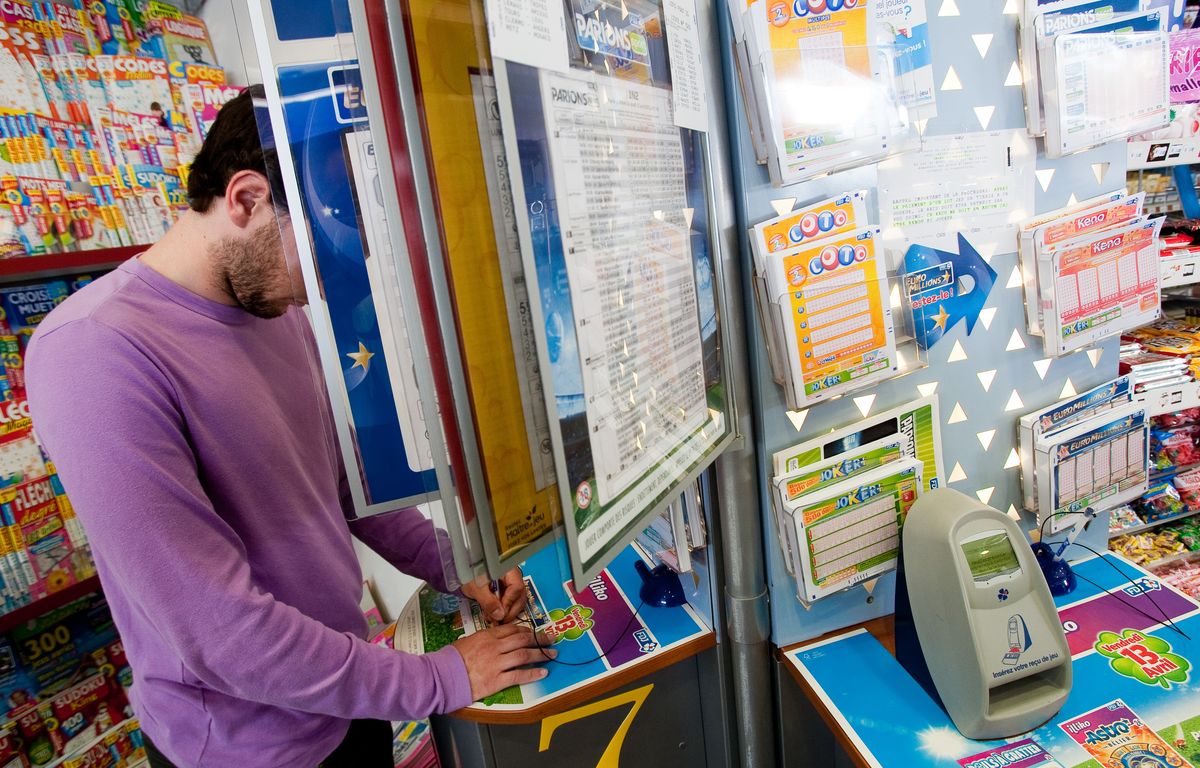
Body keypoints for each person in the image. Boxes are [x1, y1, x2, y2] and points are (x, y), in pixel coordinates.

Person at [25, 85, 552, 768]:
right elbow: (220, 633)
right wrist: (442, 678)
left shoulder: (278, 310)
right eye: (326, 256)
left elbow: (337, 485)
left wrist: (457, 565)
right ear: (246, 200)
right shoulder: (94, 351)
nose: (327, 286)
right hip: (248, 748)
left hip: (344, 695)